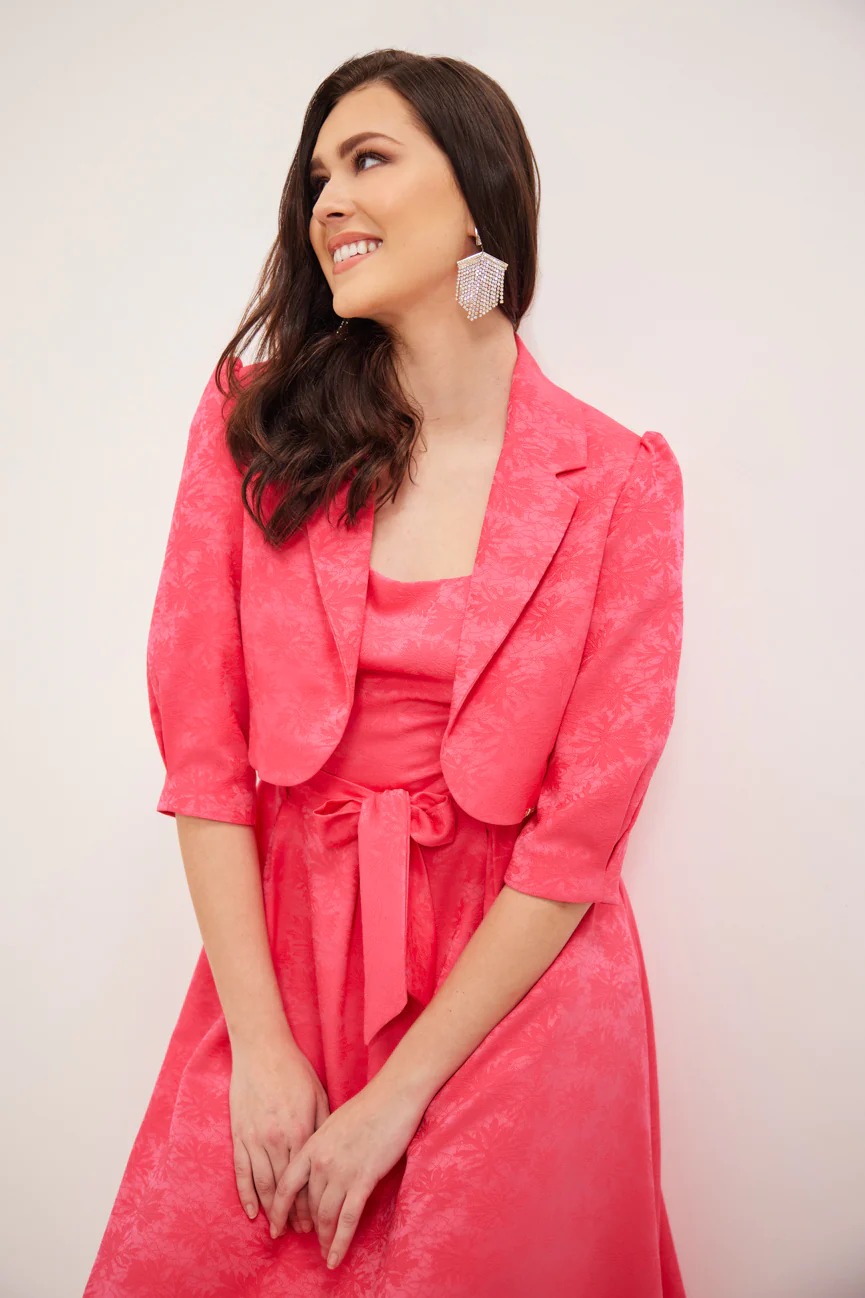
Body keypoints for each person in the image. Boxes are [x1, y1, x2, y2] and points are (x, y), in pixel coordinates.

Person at [84, 48, 688, 1298]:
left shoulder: (617, 483)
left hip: (515, 996)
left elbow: (579, 834)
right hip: (287, 962)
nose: (328, 203)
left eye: (367, 160)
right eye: (317, 177)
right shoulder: (255, 430)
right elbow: (204, 754)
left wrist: (403, 1093)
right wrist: (262, 1046)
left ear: (476, 199)